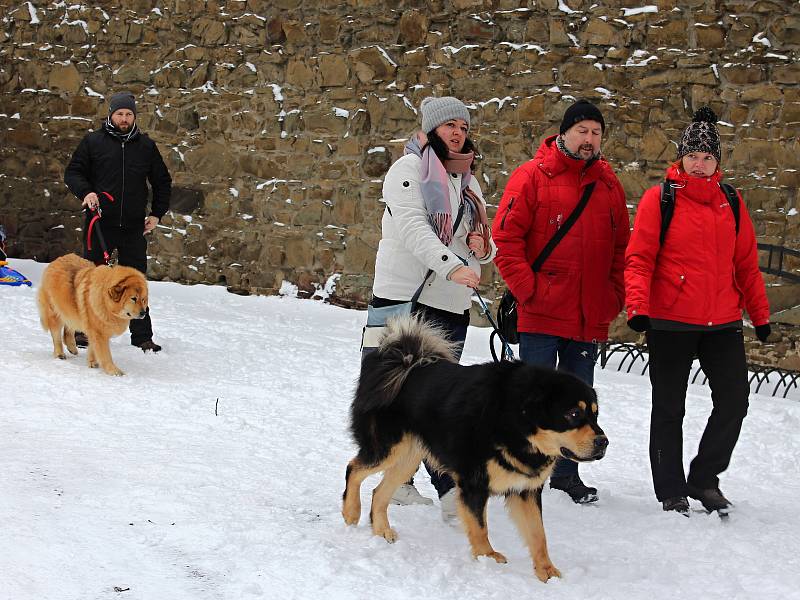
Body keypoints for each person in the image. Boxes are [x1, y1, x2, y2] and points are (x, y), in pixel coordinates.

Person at [624, 106, 771, 516]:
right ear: (681, 157)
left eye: (708, 157)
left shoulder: (732, 202)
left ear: (717, 162)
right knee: (670, 407)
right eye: (693, 156)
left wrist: (759, 315)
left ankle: (705, 478)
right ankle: (671, 489)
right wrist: (638, 306)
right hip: (671, 321)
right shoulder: (661, 199)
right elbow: (640, 258)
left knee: (735, 401)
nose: (700, 164)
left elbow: (746, 265)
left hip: (722, 321)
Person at [492, 99, 630, 504]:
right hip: (541, 312)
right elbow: (506, 240)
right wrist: (528, 290)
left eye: (596, 133)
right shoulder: (531, 177)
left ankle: (567, 476)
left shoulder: (609, 185)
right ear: (565, 133)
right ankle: (523, 471)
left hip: (589, 316)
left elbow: (623, 247)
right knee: (531, 399)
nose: (589, 140)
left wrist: (613, 297)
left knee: (581, 405)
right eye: (582, 131)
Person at [368, 96, 495, 520]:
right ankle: (429, 488)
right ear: (431, 128)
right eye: (449, 126)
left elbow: (479, 238)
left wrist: (482, 247)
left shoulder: (469, 180)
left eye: (463, 125)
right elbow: (413, 230)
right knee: (397, 395)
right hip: (406, 298)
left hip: (448, 303)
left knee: (438, 398)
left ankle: (422, 482)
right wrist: (453, 265)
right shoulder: (407, 170)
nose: (457, 132)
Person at [64, 91, 171, 352]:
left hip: (134, 226)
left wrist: (156, 214)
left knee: (137, 282)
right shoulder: (93, 142)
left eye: (129, 114)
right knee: (92, 278)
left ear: (134, 116)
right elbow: (73, 172)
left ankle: (142, 336)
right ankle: (83, 330)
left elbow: (162, 182)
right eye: (120, 114)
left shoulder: (146, 147)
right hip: (99, 222)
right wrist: (86, 192)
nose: (124, 118)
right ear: (111, 114)